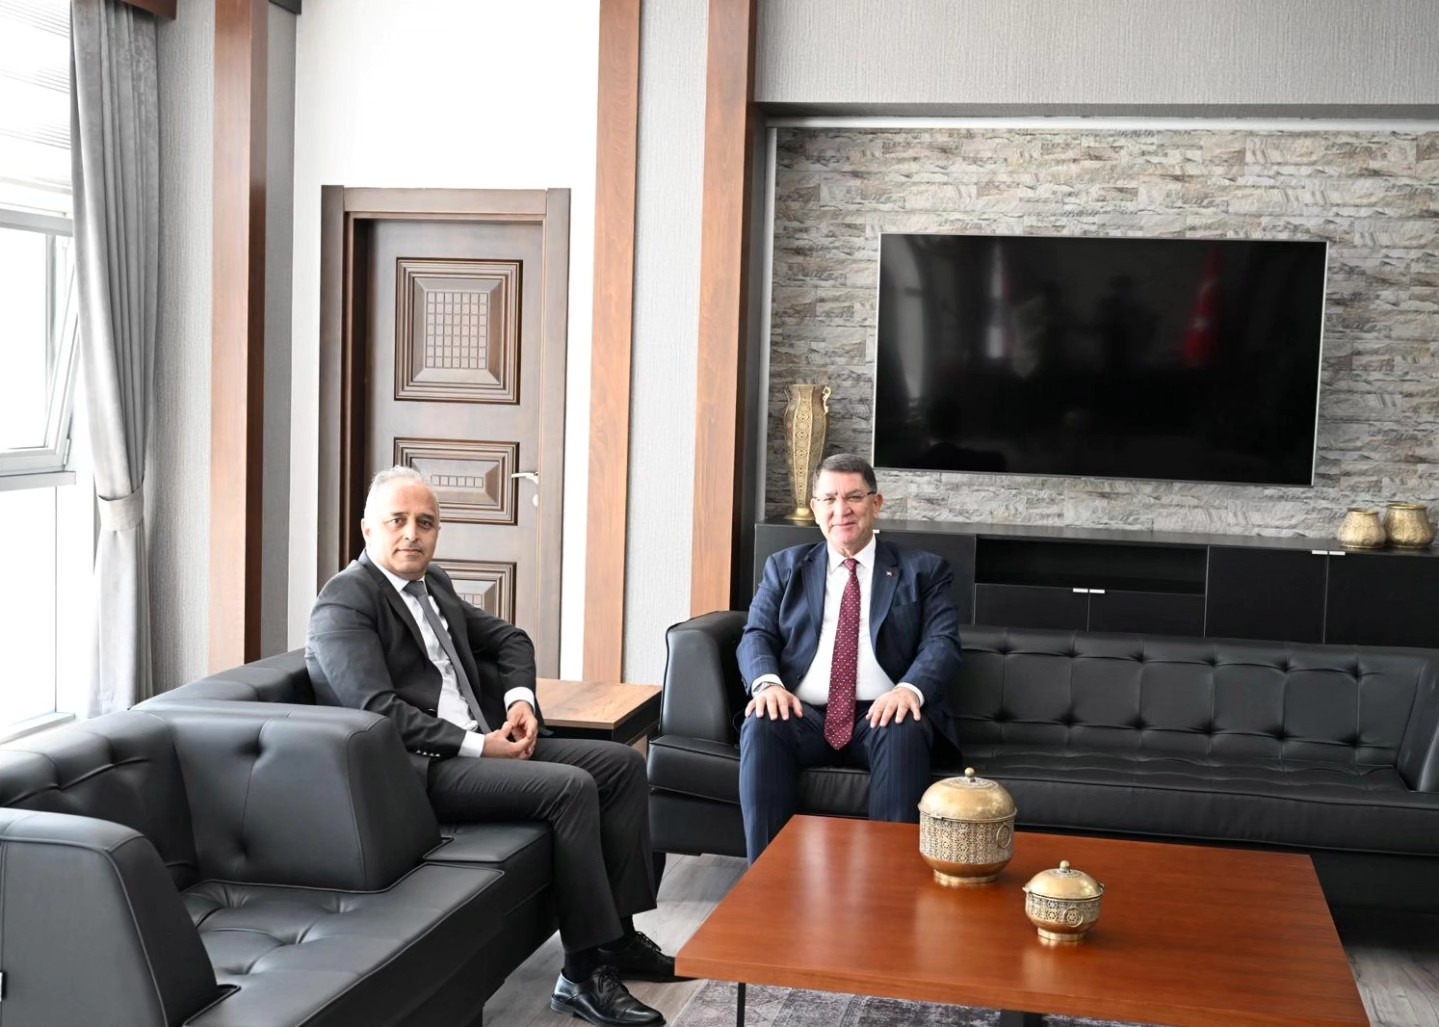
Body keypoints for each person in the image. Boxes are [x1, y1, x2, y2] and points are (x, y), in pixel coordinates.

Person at [306, 466, 675, 1027]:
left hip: (481, 743)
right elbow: (377, 710)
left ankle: (617, 938)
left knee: (622, 765)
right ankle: (581, 976)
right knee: (572, 789)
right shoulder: (344, 602)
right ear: (367, 529)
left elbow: (510, 639)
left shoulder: (434, 583)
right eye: (397, 521)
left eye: (425, 522)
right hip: (420, 770)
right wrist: (480, 746)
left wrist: (520, 702)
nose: (412, 534)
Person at [737, 453, 964, 862]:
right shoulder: (784, 567)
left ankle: (886, 887)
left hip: (881, 713)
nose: (841, 510)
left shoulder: (924, 571)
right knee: (762, 720)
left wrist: (908, 690)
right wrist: (767, 684)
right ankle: (765, 880)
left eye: (854, 497)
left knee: (903, 724)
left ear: (876, 503)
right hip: (802, 713)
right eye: (829, 499)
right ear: (815, 508)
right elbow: (757, 634)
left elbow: (942, 642)